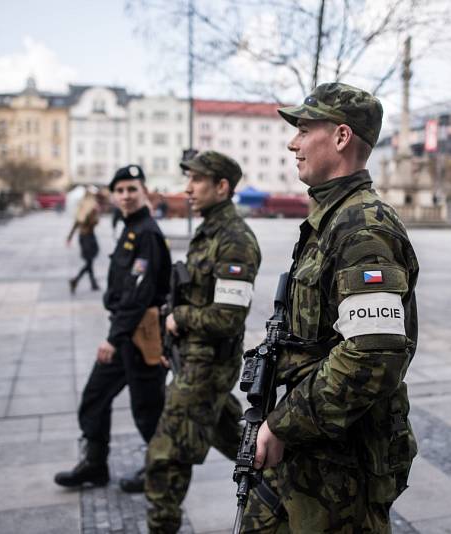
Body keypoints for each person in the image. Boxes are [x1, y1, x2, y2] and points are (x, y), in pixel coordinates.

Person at [240, 83, 419, 533]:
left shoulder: (363, 227)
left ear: (341, 138)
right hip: (313, 449)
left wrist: (282, 426)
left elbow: (372, 355)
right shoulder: (332, 218)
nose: (292, 142)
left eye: (303, 129)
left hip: (343, 465)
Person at [135, 151, 262, 533]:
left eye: (197, 180)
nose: (187, 188)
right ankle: (287, 484)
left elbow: (227, 318)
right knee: (240, 442)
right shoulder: (207, 231)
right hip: (193, 362)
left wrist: (179, 318)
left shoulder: (235, 240)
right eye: (188, 179)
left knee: (164, 459)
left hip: (206, 369)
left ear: (221, 187)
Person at [54, 165, 171, 489]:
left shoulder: (146, 231)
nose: (126, 195)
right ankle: (94, 464)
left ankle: (159, 472)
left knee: (148, 410)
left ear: (144, 192)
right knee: (95, 397)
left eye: (132, 189)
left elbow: (139, 293)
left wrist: (113, 338)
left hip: (142, 335)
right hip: (126, 333)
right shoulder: (130, 227)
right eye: (120, 190)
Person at [67, 188, 101, 293]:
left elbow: (76, 223)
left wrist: (70, 237)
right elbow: (92, 223)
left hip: (83, 237)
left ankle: (92, 284)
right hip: (88, 237)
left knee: (89, 261)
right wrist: (94, 214)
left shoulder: (82, 206)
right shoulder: (89, 207)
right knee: (89, 261)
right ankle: (76, 280)